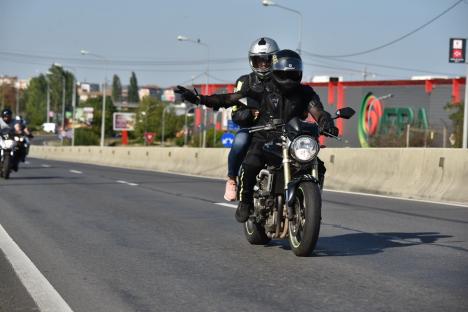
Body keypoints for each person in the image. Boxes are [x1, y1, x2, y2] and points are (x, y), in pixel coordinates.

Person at [235, 49, 338, 223]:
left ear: (299, 73)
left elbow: (317, 110)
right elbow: (242, 108)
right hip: (265, 137)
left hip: (294, 139)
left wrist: (325, 120)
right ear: (275, 71)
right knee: (251, 162)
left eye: (293, 73)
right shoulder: (263, 89)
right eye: (284, 73)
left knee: (318, 166)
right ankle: (244, 202)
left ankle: (311, 203)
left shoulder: (305, 92)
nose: (289, 78)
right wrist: (246, 114)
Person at [175, 37, 280, 201]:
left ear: (275, 59)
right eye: (258, 61)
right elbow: (231, 106)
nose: (263, 64)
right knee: (239, 141)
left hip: (279, 129)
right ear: (251, 61)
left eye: (267, 60)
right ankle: (232, 179)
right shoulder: (246, 82)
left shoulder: (284, 81)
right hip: (253, 128)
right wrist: (199, 99)